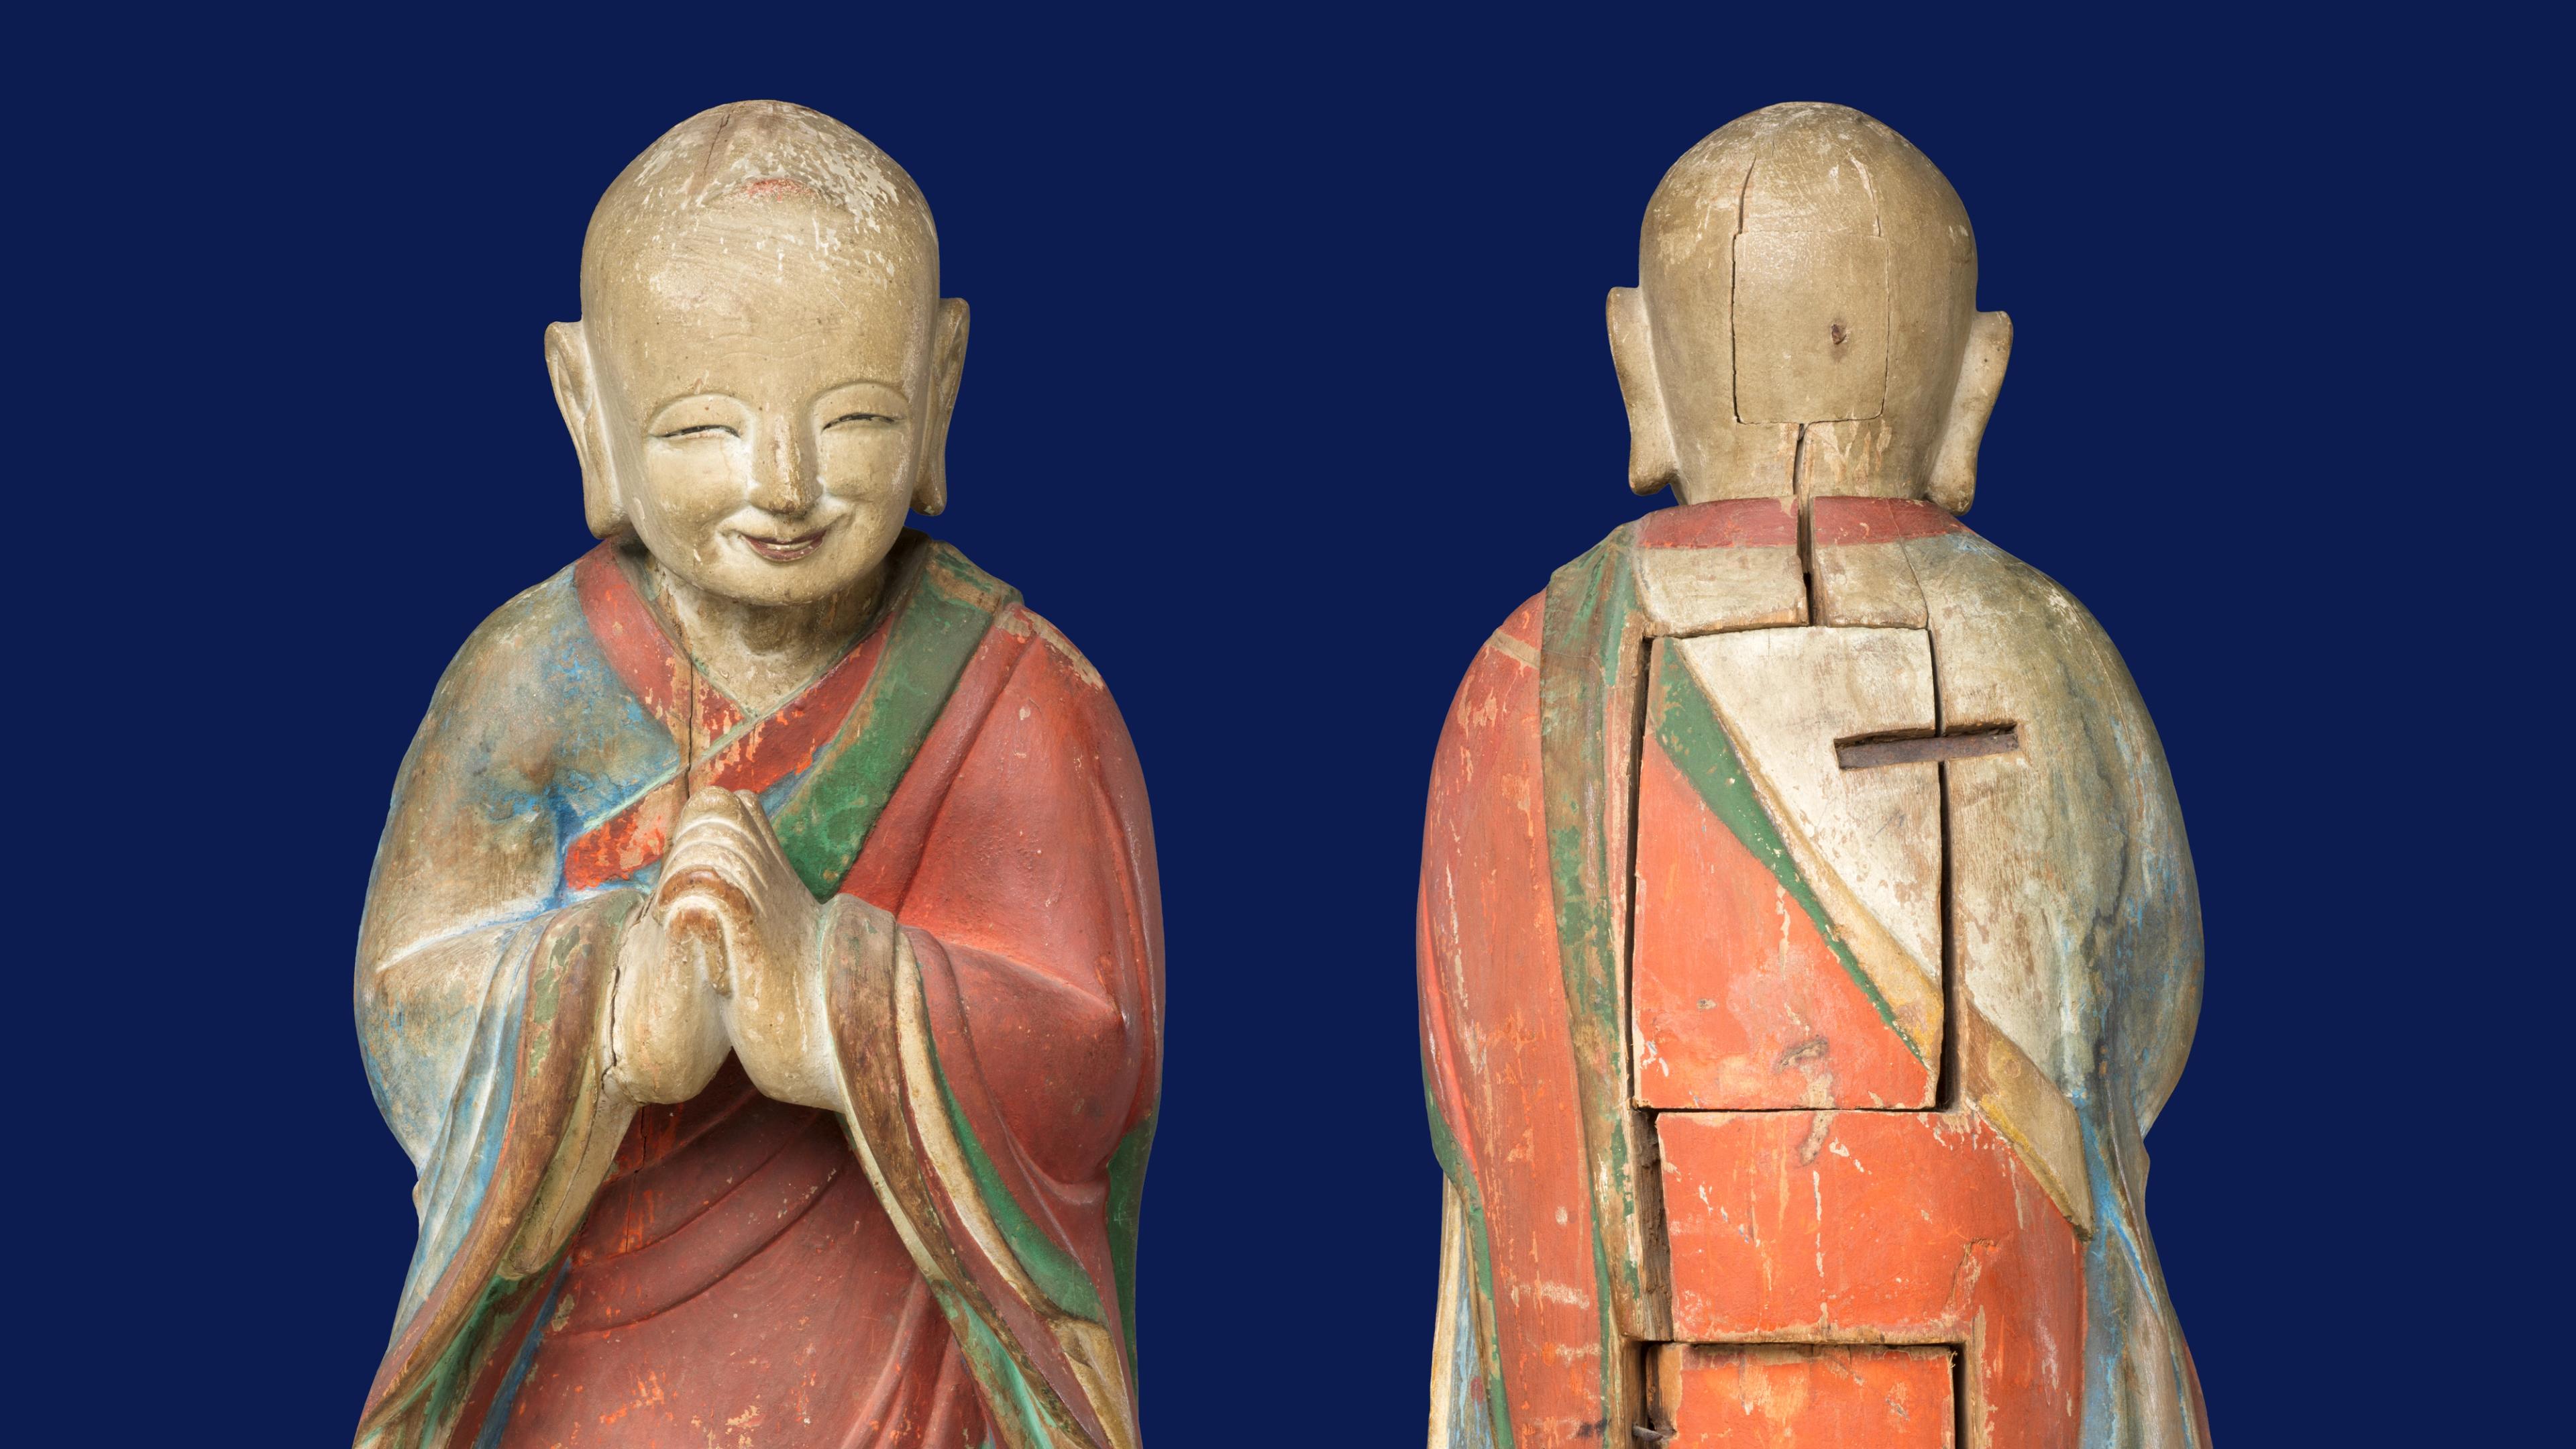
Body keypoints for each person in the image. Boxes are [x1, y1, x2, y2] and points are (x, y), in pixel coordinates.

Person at [353, 101, 1159, 1449]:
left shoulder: (1019, 693)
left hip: (903, 1357)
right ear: (584, 406)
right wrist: (608, 1003)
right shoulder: (526, 681)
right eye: (699, 431)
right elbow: (403, 1004)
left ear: (942, 382)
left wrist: (831, 996)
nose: (780, 487)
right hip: (602, 1359)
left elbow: (1094, 1057)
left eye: (851, 420)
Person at [1419, 103, 2207, 1447]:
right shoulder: (2056, 655)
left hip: (1653, 1357)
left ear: (1638, 364)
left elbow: (1482, 1106)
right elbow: (2146, 1010)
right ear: (1975, 380)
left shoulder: (1536, 672)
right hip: (2001, 1320)